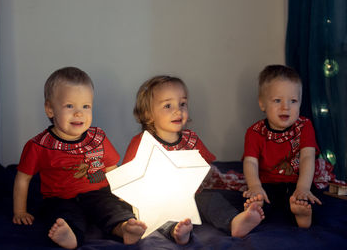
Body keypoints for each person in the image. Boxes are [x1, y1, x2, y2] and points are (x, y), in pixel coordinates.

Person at [12, 67, 147, 249]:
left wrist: (123, 194)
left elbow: (111, 169)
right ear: (50, 109)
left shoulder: (98, 138)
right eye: (69, 106)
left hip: (97, 193)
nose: (79, 113)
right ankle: (70, 235)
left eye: (86, 106)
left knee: (111, 209)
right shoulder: (39, 145)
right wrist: (20, 211)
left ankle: (124, 229)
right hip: (60, 198)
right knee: (62, 215)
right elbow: (23, 178)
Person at [122, 75, 264, 245]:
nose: (178, 111)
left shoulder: (190, 139)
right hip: (158, 201)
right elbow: (128, 177)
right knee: (157, 217)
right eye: (168, 105)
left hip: (190, 196)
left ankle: (235, 222)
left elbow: (206, 166)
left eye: (182, 104)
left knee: (212, 200)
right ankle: (177, 233)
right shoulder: (142, 143)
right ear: (148, 114)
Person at [243, 64, 322, 229]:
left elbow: (307, 157)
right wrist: (255, 186)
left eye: (293, 101)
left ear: (300, 103)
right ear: (262, 104)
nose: (286, 107)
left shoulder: (304, 126)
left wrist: (303, 187)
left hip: (297, 181)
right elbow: (250, 162)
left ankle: (302, 215)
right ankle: (255, 212)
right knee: (259, 199)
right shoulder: (255, 132)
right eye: (277, 100)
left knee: (309, 198)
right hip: (267, 182)